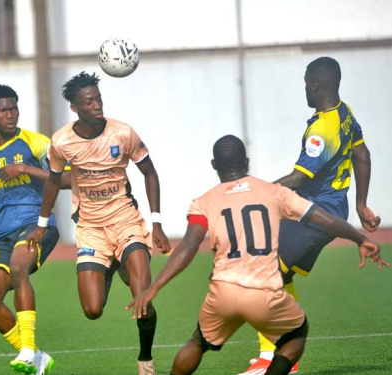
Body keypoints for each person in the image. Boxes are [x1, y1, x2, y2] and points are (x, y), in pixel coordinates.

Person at [126, 135, 386, 375]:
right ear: (246, 162)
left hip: (223, 291)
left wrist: (154, 287)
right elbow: (325, 220)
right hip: (265, 293)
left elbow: (188, 247)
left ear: (214, 164)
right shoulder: (274, 192)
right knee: (296, 335)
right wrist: (360, 238)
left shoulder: (203, 202)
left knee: (198, 342)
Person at [242, 56, 388, 374]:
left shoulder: (321, 131)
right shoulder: (343, 113)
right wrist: (361, 203)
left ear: (314, 85)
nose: (304, 91)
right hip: (316, 208)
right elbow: (362, 154)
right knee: (273, 268)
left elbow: (297, 179)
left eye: (305, 85)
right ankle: (278, 355)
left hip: (317, 213)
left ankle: (273, 358)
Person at [26, 71, 171, 375]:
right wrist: (41, 224)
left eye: (99, 98)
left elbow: (150, 173)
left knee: (142, 296)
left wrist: (156, 223)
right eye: (89, 101)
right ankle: (112, 265)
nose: (97, 105)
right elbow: (54, 182)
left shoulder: (122, 133)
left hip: (125, 220)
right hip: (91, 229)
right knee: (92, 310)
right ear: (75, 107)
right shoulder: (62, 141)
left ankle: (145, 358)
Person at [0, 84, 70, 375]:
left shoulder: (36, 143)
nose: (10, 115)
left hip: (36, 224)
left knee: (18, 268)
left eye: (13, 108)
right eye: (3, 110)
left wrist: (25, 169)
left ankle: (28, 349)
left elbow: (68, 179)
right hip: (0, 233)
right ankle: (38, 358)